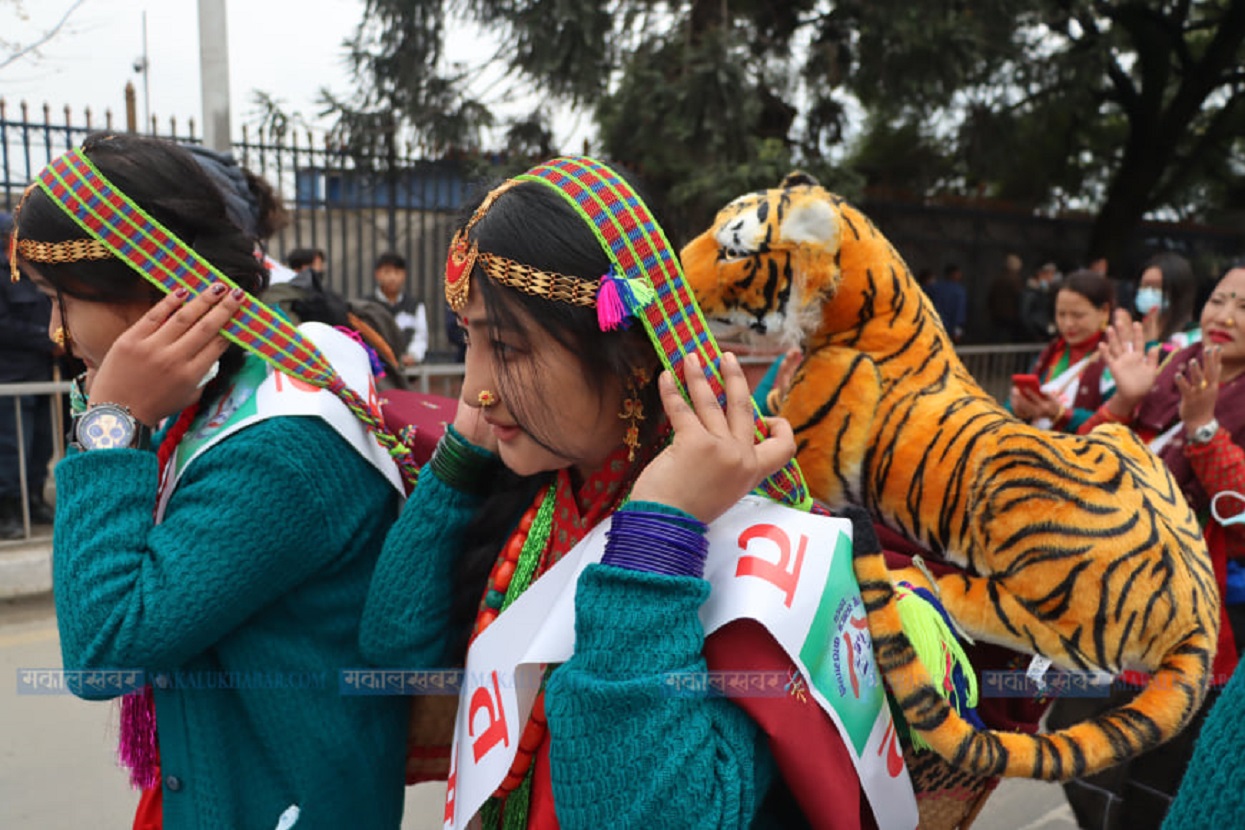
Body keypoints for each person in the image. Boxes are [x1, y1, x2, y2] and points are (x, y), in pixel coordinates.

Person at [361, 157, 908, 828]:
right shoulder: (534, 490)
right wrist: (456, 466)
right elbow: (395, 653)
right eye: (467, 342)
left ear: (625, 356)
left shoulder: (751, 553)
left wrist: (656, 535)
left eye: (504, 347)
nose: (473, 386)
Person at [10, 133, 409, 828]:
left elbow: (103, 651)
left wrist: (112, 422)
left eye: (60, 300)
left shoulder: (275, 448)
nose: (54, 332)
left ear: (141, 287)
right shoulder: (231, 378)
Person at [1053, 261, 1245, 830]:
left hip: (1193, 622)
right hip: (1108, 607)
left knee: (1157, 786)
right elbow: (1084, 471)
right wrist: (1123, 403)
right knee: (1074, 751)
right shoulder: (1172, 369)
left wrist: (1205, 429)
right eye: (1219, 300)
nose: (1225, 316)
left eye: (1244, 306)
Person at [0, 210, 57, 538]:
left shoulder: (34, 271)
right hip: (10, 376)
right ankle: (8, 508)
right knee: (11, 448)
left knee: (41, 443)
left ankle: (33, 500)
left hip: (40, 374)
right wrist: (46, 339)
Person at [1009, 270, 1114, 433]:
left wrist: (1061, 414)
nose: (1068, 323)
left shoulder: (1115, 357)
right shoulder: (1051, 353)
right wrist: (1017, 408)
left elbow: (1117, 423)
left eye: (1078, 315)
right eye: (1061, 314)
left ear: (1104, 311)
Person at [1135, 251, 1200, 352]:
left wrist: (1151, 344)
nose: (1148, 293)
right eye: (1144, 286)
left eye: (1156, 287)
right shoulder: (1133, 334)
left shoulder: (1193, 339)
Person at [372, 251, 428, 365]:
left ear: (404, 275)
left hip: (407, 370)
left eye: (397, 272)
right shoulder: (367, 305)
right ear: (377, 274)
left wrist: (413, 356)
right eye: (387, 272)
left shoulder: (414, 306)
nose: (392, 277)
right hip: (377, 368)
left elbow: (421, 336)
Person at [986, 253, 1024, 343]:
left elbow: (990, 298)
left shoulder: (997, 280)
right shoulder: (1016, 281)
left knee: (998, 338)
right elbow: (1020, 299)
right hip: (1011, 316)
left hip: (997, 315)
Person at [926, 263, 968, 343]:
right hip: (950, 330)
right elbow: (959, 314)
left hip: (934, 326)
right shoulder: (959, 292)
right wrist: (957, 332)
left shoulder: (935, 287)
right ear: (954, 274)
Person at [1019, 261, 1061, 341]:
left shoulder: (1046, 292)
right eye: (1049, 274)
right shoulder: (1030, 293)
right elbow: (1025, 316)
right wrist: (1036, 334)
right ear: (1040, 274)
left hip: (1044, 333)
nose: (1051, 278)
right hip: (1034, 337)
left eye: (1053, 274)